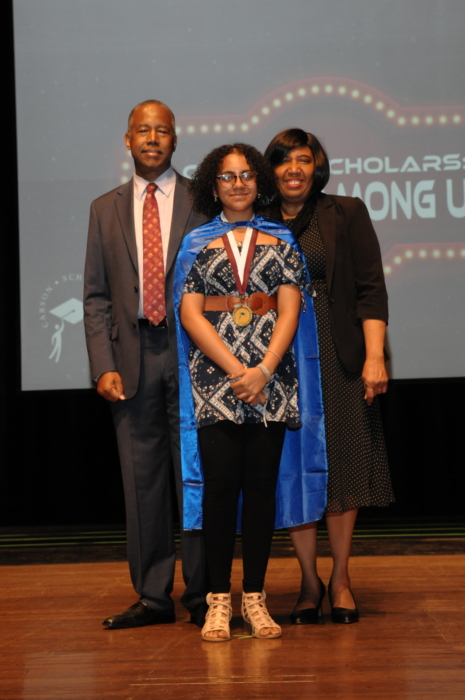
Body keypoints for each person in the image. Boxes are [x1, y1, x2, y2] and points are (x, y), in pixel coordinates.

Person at [173, 143, 328, 642]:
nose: (237, 184)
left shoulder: (281, 239)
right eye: (227, 176)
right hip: (216, 382)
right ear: (211, 185)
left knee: (261, 491)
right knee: (220, 490)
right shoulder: (196, 242)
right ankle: (219, 601)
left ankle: (256, 599)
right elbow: (190, 314)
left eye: (245, 175)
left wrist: (263, 369)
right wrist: (239, 370)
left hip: (271, 382)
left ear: (259, 181)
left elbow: (291, 308)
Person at [83, 99, 208, 630]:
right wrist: (102, 363)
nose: (152, 139)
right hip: (130, 361)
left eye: (162, 131)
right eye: (143, 130)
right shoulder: (103, 208)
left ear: (175, 140)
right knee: (143, 484)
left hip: (194, 357)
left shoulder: (204, 200)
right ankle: (154, 597)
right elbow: (96, 296)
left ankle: (204, 594)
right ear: (128, 140)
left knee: (196, 478)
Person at [264, 128, 394, 625]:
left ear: (316, 166)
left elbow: (371, 288)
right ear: (271, 171)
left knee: (342, 461)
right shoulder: (258, 220)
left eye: (303, 159)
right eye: (284, 161)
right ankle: (308, 579)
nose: (294, 169)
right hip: (281, 360)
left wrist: (375, 356)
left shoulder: (346, 212)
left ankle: (340, 578)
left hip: (341, 355)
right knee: (293, 467)